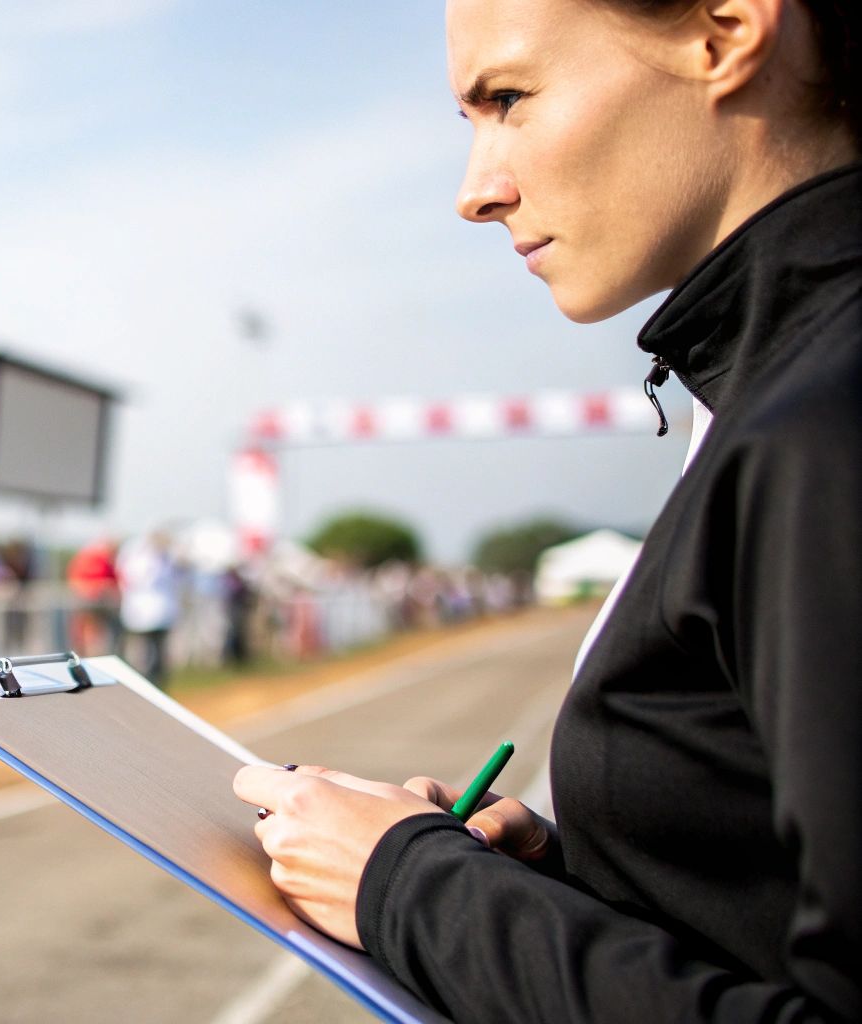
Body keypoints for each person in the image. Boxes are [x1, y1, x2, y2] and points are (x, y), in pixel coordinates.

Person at [232, 1, 862, 1020]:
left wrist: (410, 889)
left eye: (509, 98)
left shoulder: (821, 416)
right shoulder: (773, 386)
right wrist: (570, 878)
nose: (474, 192)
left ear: (723, 31)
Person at [116, 530, 181, 687]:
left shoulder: (164, 559)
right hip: (141, 615)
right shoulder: (141, 559)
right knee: (142, 656)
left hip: (158, 615)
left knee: (157, 656)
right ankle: (144, 685)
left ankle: (156, 685)